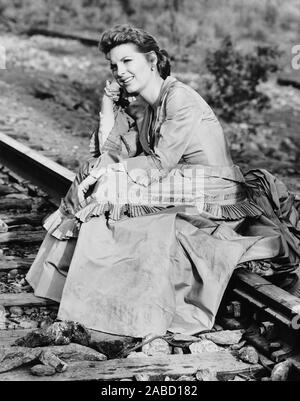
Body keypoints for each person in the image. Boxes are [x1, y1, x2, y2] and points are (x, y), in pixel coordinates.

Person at [26, 25, 300, 338]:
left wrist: (112, 176)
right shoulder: (149, 108)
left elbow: (159, 163)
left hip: (212, 190)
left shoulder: (180, 98)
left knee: (111, 195)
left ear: (152, 60)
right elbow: (110, 155)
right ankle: (79, 291)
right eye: (114, 65)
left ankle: (112, 302)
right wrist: (107, 107)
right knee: (97, 177)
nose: (120, 72)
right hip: (179, 182)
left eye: (128, 62)